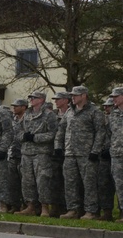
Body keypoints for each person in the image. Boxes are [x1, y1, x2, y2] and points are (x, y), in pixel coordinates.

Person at [55, 85, 104, 219]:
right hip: (70, 153)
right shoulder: (69, 112)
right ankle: (73, 209)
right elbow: (61, 130)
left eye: (75, 95)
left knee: (89, 183)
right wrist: (58, 147)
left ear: (84, 95)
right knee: (70, 182)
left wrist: (95, 150)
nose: (73, 98)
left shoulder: (94, 112)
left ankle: (91, 211)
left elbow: (100, 132)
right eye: (72, 95)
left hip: (87, 154)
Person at [17, 91, 58, 217]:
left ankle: (45, 207)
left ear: (41, 100)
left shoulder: (49, 115)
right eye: (30, 98)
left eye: (33, 98)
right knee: (27, 181)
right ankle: (31, 206)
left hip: (41, 153)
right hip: (26, 152)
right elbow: (18, 131)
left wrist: (35, 137)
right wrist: (24, 136)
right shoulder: (27, 114)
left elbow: (53, 134)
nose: (31, 100)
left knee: (43, 180)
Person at [107, 86, 123, 222]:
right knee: (119, 184)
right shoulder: (113, 114)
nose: (113, 99)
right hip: (117, 154)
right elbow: (109, 134)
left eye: (116, 97)